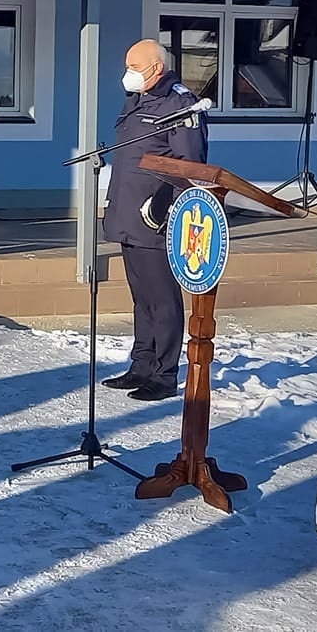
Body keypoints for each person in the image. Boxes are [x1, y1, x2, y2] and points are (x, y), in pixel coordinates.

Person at [99, 40, 205, 401]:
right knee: (142, 298)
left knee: (162, 299)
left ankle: (164, 373)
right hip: (127, 213)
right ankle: (141, 365)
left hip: (154, 218)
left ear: (156, 68)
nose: (127, 74)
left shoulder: (180, 104)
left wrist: (165, 208)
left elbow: (190, 166)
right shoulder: (138, 100)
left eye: (134, 66)